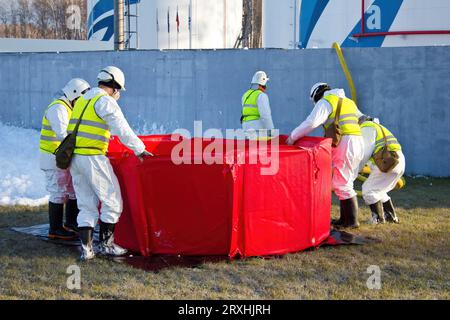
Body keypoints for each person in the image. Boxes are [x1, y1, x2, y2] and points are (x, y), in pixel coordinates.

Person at [68, 66, 153, 261]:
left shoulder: (83, 99)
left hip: (75, 159)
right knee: (112, 201)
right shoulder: (104, 101)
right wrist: (139, 148)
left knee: (86, 205)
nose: (118, 95)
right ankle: (106, 245)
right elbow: (122, 128)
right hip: (93, 158)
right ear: (114, 86)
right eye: (119, 91)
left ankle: (87, 249)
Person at [286, 83, 364, 228]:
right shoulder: (348, 102)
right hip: (357, 141)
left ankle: (352, 222)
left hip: (346, 143)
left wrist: (292, 137)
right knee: (343, 181)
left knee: (342, 183)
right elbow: (362, 119)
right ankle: (344, 219)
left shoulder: (326, 101)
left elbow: (312, 122)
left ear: (317, 95)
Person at [39, 78, 91, 240]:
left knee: (71, 190)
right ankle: (55, 229)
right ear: (74, 94)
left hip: (64, 157)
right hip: (53, 158)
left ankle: (70, 223)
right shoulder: (58, 108)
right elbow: (63, 135)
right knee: (58, 193)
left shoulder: (69, 108)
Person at [358, 116, 405, 224]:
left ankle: (378, 219)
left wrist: (356, 169)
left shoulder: (367, 127)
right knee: (380, 190)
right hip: (398, 162)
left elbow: (365, 152)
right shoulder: (379, 127)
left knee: (368, 189)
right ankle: (391, 216)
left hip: (387, 164)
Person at [241, 71, 274, 139]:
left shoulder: (245, 95)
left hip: (246, 128)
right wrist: (271, 131)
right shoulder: (261, 96)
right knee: (261, 149)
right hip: (258, 129)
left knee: (250, 149)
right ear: (263, 83)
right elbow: (265, 115)